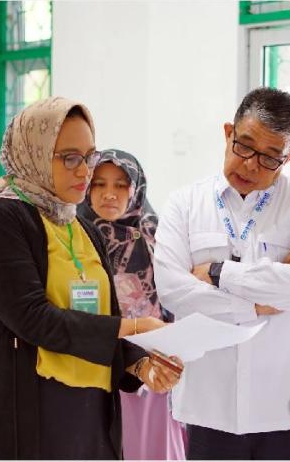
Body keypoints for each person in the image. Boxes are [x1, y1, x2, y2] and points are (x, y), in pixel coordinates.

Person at [0, 97, 183, 459]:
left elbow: (97, 321)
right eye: (69, 157)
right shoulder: (0, 221)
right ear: (33, 153)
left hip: (90, 411)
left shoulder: (78, 224)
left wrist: (140, 365)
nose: (85, 171)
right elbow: (35, 320)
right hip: (30, 415)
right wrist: (134, 328)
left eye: (89, 156)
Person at [153, 87, 290, 460]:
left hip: (285, 405)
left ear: (288, 158)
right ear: (227, 134)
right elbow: (173, 289)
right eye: (244, 146)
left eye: (270, 158)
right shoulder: (184, 204)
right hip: (210, 404)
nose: (251, 164)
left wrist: (218, 273)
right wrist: (257, 302)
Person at [78, 149, 187, 460]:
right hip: (97, 359)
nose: (109, 194)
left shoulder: (158, 233)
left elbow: (181, 290)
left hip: (153, 361)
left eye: (120, 185)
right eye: (99, 184)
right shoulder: (74, 235)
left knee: (151, 447)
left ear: (136, 187)